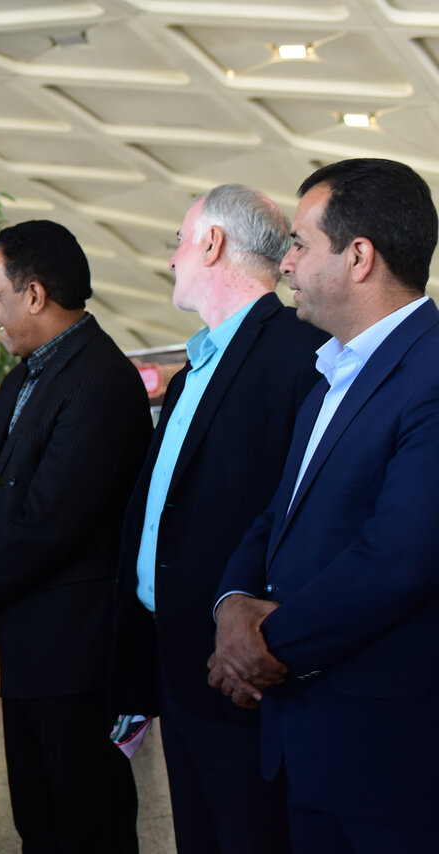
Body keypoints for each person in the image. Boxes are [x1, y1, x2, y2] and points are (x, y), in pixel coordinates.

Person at [210, 158, 439, 853]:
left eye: (302, 245)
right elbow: (276, 517)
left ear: (359, 257)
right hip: (309, 742)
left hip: (390, 757)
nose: (286, 265)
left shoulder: (429, 375)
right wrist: (232, 603)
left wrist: (264, 646)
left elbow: (398, 557)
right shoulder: (329, 378)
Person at [109, 185, 326, 853]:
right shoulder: (189, 372)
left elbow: (305, 510)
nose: (173, 258)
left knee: (250, 834)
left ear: (211, 243)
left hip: (244, 670)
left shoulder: (300, 353)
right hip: (177, 661)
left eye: (179, 241)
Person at [0, 220, 150, 854]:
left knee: (85, 821)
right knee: (38, 821)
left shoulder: (101, 379)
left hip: (76, 653)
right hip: (27, 646)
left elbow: (48, 526)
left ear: (36, 295)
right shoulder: (23, 379)